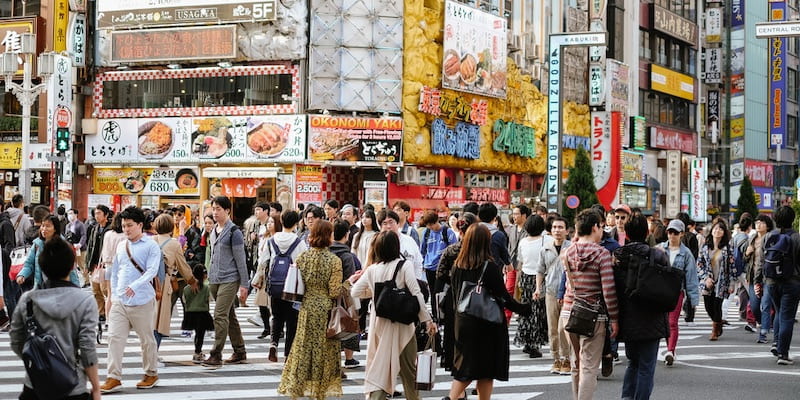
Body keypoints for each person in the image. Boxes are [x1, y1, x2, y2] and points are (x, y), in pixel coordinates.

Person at [444, 224, 531, 400]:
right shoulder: (489, 267)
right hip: (487, 323)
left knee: (466, 366)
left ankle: (452, 397)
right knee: (485, 369)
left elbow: (455, 296)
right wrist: (524, 308)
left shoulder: (457, 266)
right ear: (486, 243)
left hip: (463, 321)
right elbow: (503, 296)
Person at [10, 237, 101, 400]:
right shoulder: (85, 301)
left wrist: (38, 362)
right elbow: (87, 347)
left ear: (42, 266)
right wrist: (96, 387)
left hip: (36, 386)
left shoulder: (28, 300)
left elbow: (16, 340)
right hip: (73, 385)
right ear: (72, 266)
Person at [350, 230, 436, 400]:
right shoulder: (404, 266)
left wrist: (375, 294)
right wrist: (427, 320)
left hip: (380, 324)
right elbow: (416, 293)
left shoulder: (372, 269)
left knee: (380, 367)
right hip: (403, 324)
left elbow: (355, 291)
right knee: (409, 371)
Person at [278, 220, 343, 400]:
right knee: (324, 349)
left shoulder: (302, 258)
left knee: (304, 347)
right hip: (325, 309)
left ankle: (298, 386)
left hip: (306, 307)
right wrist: (348, 284)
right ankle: (319, 390)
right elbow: (335, 291)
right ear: (328, 236)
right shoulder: (334, 261)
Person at [101, 206, 161, 393]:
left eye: (130, 225)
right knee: (114, 338)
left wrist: (134, 286)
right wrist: (115, 294)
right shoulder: (121, 245)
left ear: (140, 225)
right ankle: (113, 377)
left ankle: (151, 373)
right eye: (124, 225)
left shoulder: (151, 245)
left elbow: (152, 271)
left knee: (146, 339)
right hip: (121, 301)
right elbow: (117, 271)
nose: (126, 229)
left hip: (142, 300)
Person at [561, 209, 619, 400]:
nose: (602, 230)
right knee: (589, 368)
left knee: (576, 363)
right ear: (595, 227)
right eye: (601, 226)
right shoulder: (602, 254)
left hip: (569, 312)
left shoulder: (567, 252)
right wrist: (615, 319)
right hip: (593, 315)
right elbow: (608, 291)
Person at [613, 213, 670, 400]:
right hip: (652, 318)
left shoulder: (618, 256)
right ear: (647, 233)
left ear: (626, 233)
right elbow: (668, 287)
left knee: (633, 363)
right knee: (646, 367)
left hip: (627, 318)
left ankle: (626, 398)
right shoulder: (658, 255)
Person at [202, 196, 249, 369]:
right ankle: (240, 350)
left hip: (230, 279)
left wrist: (245, 284)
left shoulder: (234, 232)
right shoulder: (213, 229)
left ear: (227, 210)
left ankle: (216, 354)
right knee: (229, 315)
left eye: (218, 209)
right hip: (215, 279)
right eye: (213, 208)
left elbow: (241, 260)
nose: (215, 212)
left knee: (219, 315)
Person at [258, 210, 308, 362]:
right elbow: (304, 263)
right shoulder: (299, 242)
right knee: (292, 319)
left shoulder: (272, 240)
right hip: (292, 286)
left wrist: (258, 278)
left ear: (281, 220)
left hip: (275, 284)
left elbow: (263, 261)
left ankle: (273, 344)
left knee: (277, 316)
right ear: (296, 223)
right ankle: (288, 354)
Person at [436, 212, 479, 371]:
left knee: (451, 330)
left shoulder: (451, 250)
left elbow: (440, 274)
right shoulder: (479, 252)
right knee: (472, 332)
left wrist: (453, 280)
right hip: (474, 297)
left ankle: (452, 361)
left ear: (459, 231)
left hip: (453, 295)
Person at [152, 214, 198, 348]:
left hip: (148, 283)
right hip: (163, 284)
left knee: (150, 318)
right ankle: (153, 354)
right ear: (172, 227)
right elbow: (183, 266)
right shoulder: (174, 244)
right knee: (160, 320)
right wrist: (192, 281)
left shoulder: (150, 240)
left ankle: (149, 353)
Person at [534, 215, 572, 375]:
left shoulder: (571, 248)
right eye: (555, 227)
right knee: (552, 328)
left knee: (564, 328)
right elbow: (540, 270)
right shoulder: (545, 249)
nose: (557, 230)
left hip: (568, 294)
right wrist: (537, 289)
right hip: (550, 292)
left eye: (560, 227)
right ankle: (556, 358)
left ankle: (566, 359)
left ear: (567, 230)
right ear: (550, 230)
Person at [658, 219, 699, 366]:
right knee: (662, 322)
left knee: (672, 322)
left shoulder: (686, 253)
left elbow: (691, 277)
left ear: (681, 234)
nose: (672, 235)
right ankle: (670, 349)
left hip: (677, 291)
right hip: (660, 291)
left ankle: (670, 350)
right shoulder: (660, 249)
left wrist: (693, 300)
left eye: (675, 232)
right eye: (670, 232)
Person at [514, 214, 552, 358]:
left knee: (526, 311)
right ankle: (534, 344)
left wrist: (518, 280)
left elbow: (520, 262)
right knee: (538, 312)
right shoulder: (548, 240)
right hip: (541, 279)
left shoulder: (523, 242)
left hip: (525, 277)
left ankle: (526, 341)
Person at [766, 206, 800, 365]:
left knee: (779, 312)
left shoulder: (769, 236)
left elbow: (762, 261)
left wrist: (759, 280)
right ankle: (783, 354)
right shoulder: (796, 238)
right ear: (792, 219)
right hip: (792, 282)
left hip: (772, 281)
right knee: (787, 316)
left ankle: (777, 343)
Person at [696, 217, 735, 341]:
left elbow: (732, 267)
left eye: (720, 229)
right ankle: (718, 323)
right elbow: (699, 264)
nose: (717, 231)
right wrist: (706, 278)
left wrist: (732, 284)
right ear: (712, 230)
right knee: (708, 306)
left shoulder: (727, 249)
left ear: (724, 233)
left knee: (717, 306)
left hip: (722, 283)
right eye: (716, 228)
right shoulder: (705, 248)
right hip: (707, 282)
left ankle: (714, 330)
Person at [17, 215, 80, 289]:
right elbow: (29, 263)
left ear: (55, 229)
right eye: (43, 226)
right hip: (40, 288)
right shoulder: (37, 245)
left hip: (59, 289)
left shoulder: (63, 246)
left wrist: (77, 288)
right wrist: (22, 274)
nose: (44, 229)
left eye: (48, 226)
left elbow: (71, 270)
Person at [330, 219, 360, 369]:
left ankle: (335, 361)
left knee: (331, 330)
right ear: (347, 234)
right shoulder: (347, 256)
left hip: (328, 297)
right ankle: (349, 358)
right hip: (344, 296)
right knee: (349, 327)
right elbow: (351, 277)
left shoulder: (327, 253)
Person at [378, 210, 426, 298]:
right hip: (385, 291)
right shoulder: (376, 243)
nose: (388, 226)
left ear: (398, 224)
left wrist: (416, 281)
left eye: (391, 222)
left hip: (409, 290)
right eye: (384, 223)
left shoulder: (409, 241)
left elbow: (418, 263)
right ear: (380, 226)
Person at [251, 213, 281, 338]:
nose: (269, 224)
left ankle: (277, 328)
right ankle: (267, 327)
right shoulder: (264, 237)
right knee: (261, 302)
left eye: (272, 222)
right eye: (268, 222)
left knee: (274, 304)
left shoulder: (279, 238)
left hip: (274, 274)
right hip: (263, 272)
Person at [420, 210, 456, 308]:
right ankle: (435, 317)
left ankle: (441, 315)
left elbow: (454, 250)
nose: (431, 227)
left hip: (443, 268)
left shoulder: (447, 232)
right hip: (429, 267)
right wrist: (423, 263)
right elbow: (422, 250)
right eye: (428, 225)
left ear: (437, 221)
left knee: (440, 292)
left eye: (432, 224)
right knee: (432, 292)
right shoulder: (426, 233)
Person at [85, 205, 113, 323]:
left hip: (105, 264)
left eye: (99, 213)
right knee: (95, 290)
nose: (97, 216)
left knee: (106, 290)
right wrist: (88, 265)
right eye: (95, 213)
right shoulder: (94, 228)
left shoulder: (111, 229)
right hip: (95, 264)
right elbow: (90, 247)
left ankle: (109, 312)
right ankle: (101, 312)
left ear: (106, 215)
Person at [751, 214, 776, 343]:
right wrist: (747, 252)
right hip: (753, 276)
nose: (758, 224)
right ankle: (764, 323)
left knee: (765, 305)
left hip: (767, 277)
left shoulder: (771, 238)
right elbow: (746, 259)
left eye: (762, 222)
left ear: (768, 225)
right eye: (757, 222)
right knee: (755, 306)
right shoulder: (752, 239)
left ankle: (763, 333)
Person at [183, 263, 214, 364]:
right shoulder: (206, 288)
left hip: (190, 313)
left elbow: (184, 300)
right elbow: (209, 300)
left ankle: (197, 352)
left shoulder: (186, 288)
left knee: (197, 333)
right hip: (202, 313)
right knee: (200, 334)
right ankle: (197, 352)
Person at [99, 214, 126, 325]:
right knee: (121, 295)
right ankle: (119, 320)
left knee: (110, 295)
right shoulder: (124, 236)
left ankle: (108, 320)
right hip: (120, 268)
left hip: (108, 266)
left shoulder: (108, 234)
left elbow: (103, 250)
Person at [506, 205, 531, 321]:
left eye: (516, 214)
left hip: (525, 266)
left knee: (522, 289)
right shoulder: (511, 229)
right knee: (509, 289)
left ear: (524, 215)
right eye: (513, 214)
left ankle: (522, 313)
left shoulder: (530, 230)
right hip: (511, 264)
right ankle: (507, 316)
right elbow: (509, 247)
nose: (514, 216)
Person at [66, 208, 88, 284]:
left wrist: (80, 244)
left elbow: (84, 235)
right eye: (68, 214)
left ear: (76, 214)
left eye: (71, 213)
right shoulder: (68, 225)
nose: (70, 215)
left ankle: (86, 280)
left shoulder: (80, 224)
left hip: (80, 248)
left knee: (82, 264)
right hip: (71, 248)